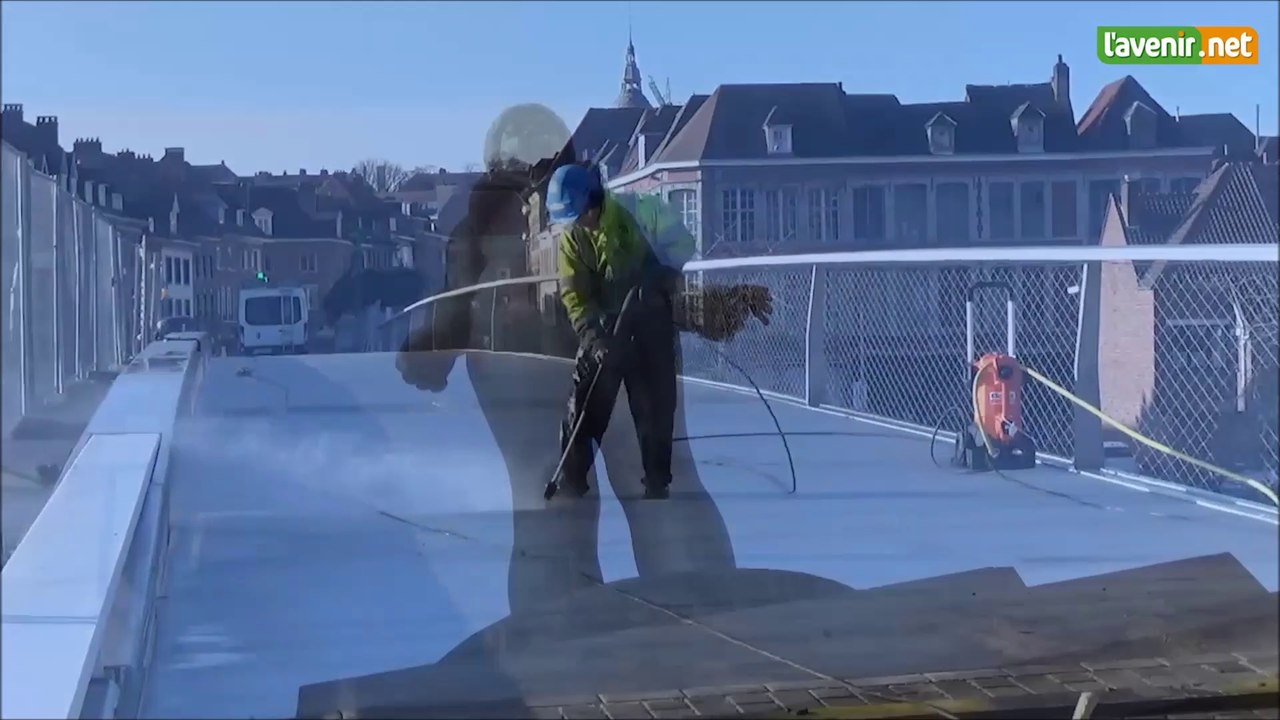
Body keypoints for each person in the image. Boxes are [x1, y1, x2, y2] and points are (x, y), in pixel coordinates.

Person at [546, 162, 773, 501]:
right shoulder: (572, 240)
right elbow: (575, 296)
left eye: (581, 216)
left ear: (593, 201)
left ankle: (656, 482)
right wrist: (594, 339)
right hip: (606, 330)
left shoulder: (641, 211)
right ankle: (571, 480)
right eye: (572, 220)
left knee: (654, 404)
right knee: (584, 404)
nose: (579, 224)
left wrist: (659, 269)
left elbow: (682, 241)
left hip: (650, 319)